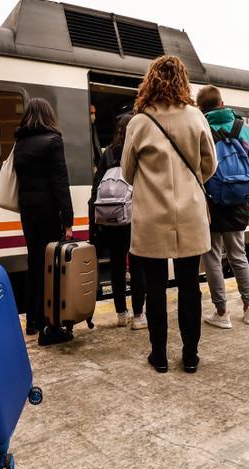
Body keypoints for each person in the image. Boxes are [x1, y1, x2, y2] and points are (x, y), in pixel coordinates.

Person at [121, 55, 216, 374]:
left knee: (155, 287)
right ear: (183, 81)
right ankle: (190, 356)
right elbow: (210, 165)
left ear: (150, 81)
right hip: (189, 214)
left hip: (151, 217)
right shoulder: (195, 116)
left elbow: (126, 172)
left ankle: (159, 355)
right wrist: (189, 183)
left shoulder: (139, 121)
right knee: (190, 285)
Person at [195, 85, 249, 329]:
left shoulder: (200, 129)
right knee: (238, 254)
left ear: (200, 107)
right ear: (222, 102)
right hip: (239, 201)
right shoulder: (245, 128)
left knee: (213, 256)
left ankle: (222, 312)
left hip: (210, 201)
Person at [13, 97, 75, 345]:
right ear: (48, 116)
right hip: (49, 211)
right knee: (51, 266)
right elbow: (60, 182)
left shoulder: (20, 143)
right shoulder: (53, 141)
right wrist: (68, 221)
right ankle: (51, 326)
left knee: (34, 263)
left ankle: (32, 321)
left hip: (27, 211)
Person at [90, 113, 147, 330]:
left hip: (112, 219)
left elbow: (96, 188)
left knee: (116, 266)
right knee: (137, 264)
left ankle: (121, 313)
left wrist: (94, 225)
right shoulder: (138, 151)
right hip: (135, 216)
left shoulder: (107, 153)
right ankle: (139, 315)